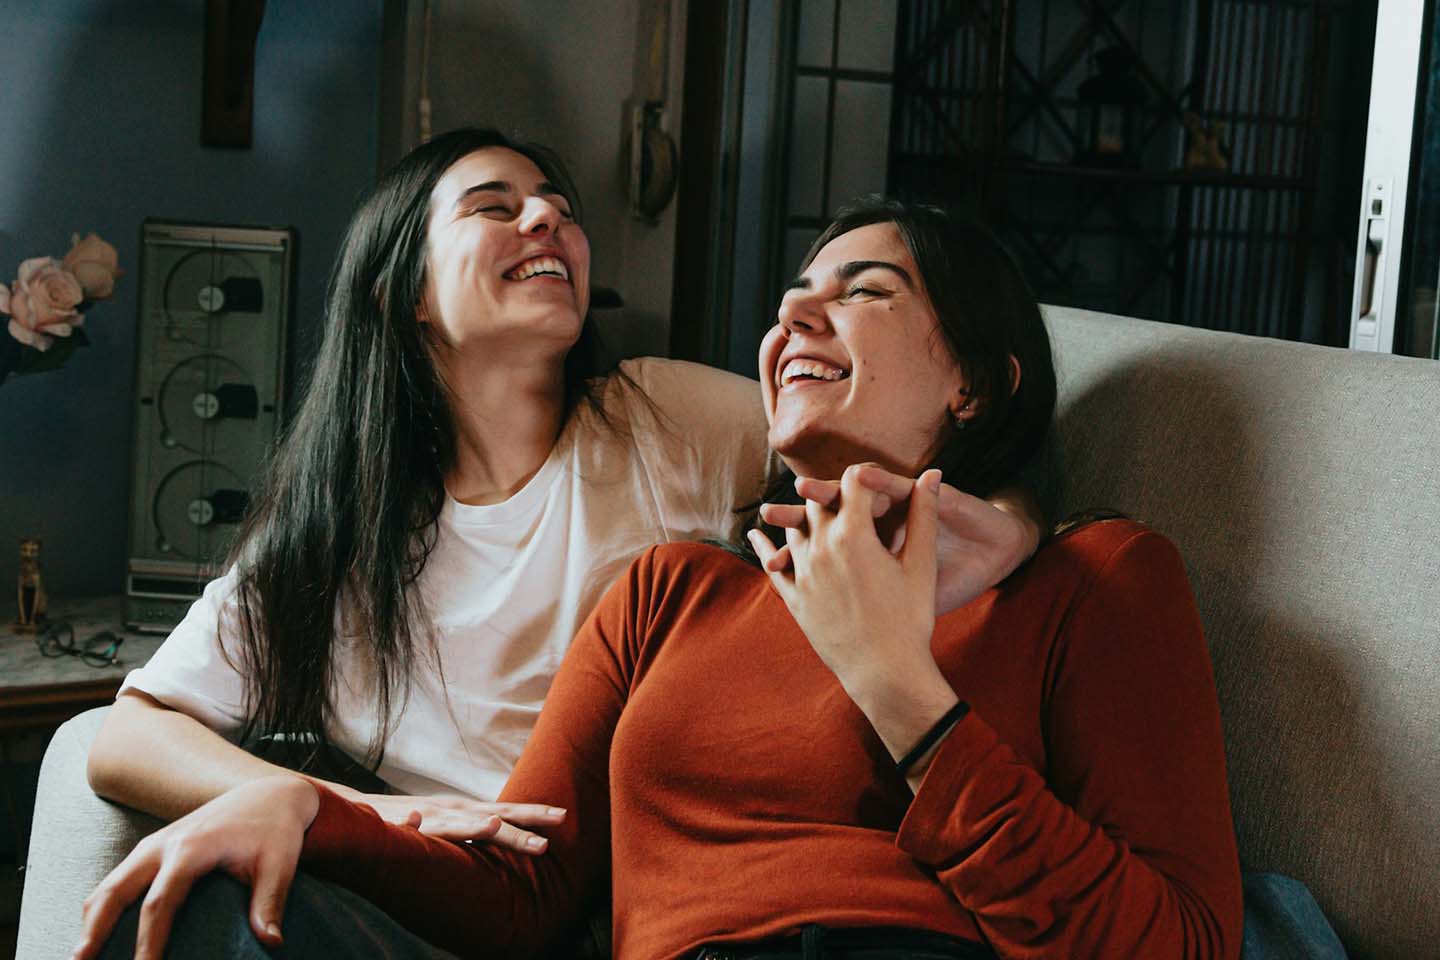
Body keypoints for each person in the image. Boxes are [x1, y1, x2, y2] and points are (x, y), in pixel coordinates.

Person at [76, 198, 1243, 960]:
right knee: (216, 905)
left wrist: (902, 690)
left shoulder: (1094, 579)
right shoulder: (673, 594)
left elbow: (1184, 944)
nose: (794, 311)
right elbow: (520, 897)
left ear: (979, 386)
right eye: (793, 292)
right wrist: (309, 811)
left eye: (865, 290)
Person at [85, 129, 1041, 855]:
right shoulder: (339, 529)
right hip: (441, 884)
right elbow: (128, 736)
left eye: (557, 208)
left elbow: (902, 449)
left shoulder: (663, 417)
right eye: (493, 208)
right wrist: (367, 812)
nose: (546, 221)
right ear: (405, 293)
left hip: (645, 882)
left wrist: (1017, 523)